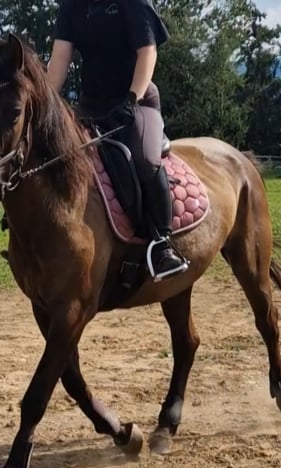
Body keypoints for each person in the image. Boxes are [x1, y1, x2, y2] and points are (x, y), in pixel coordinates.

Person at [47, 0, 189, 281]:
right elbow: (60, 58)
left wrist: (132, 99)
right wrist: (46, 105)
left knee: (146, 160)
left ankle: (161, 243)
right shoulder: (72, 6)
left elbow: (147, 52)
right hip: (90, 106)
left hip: (136, 102)